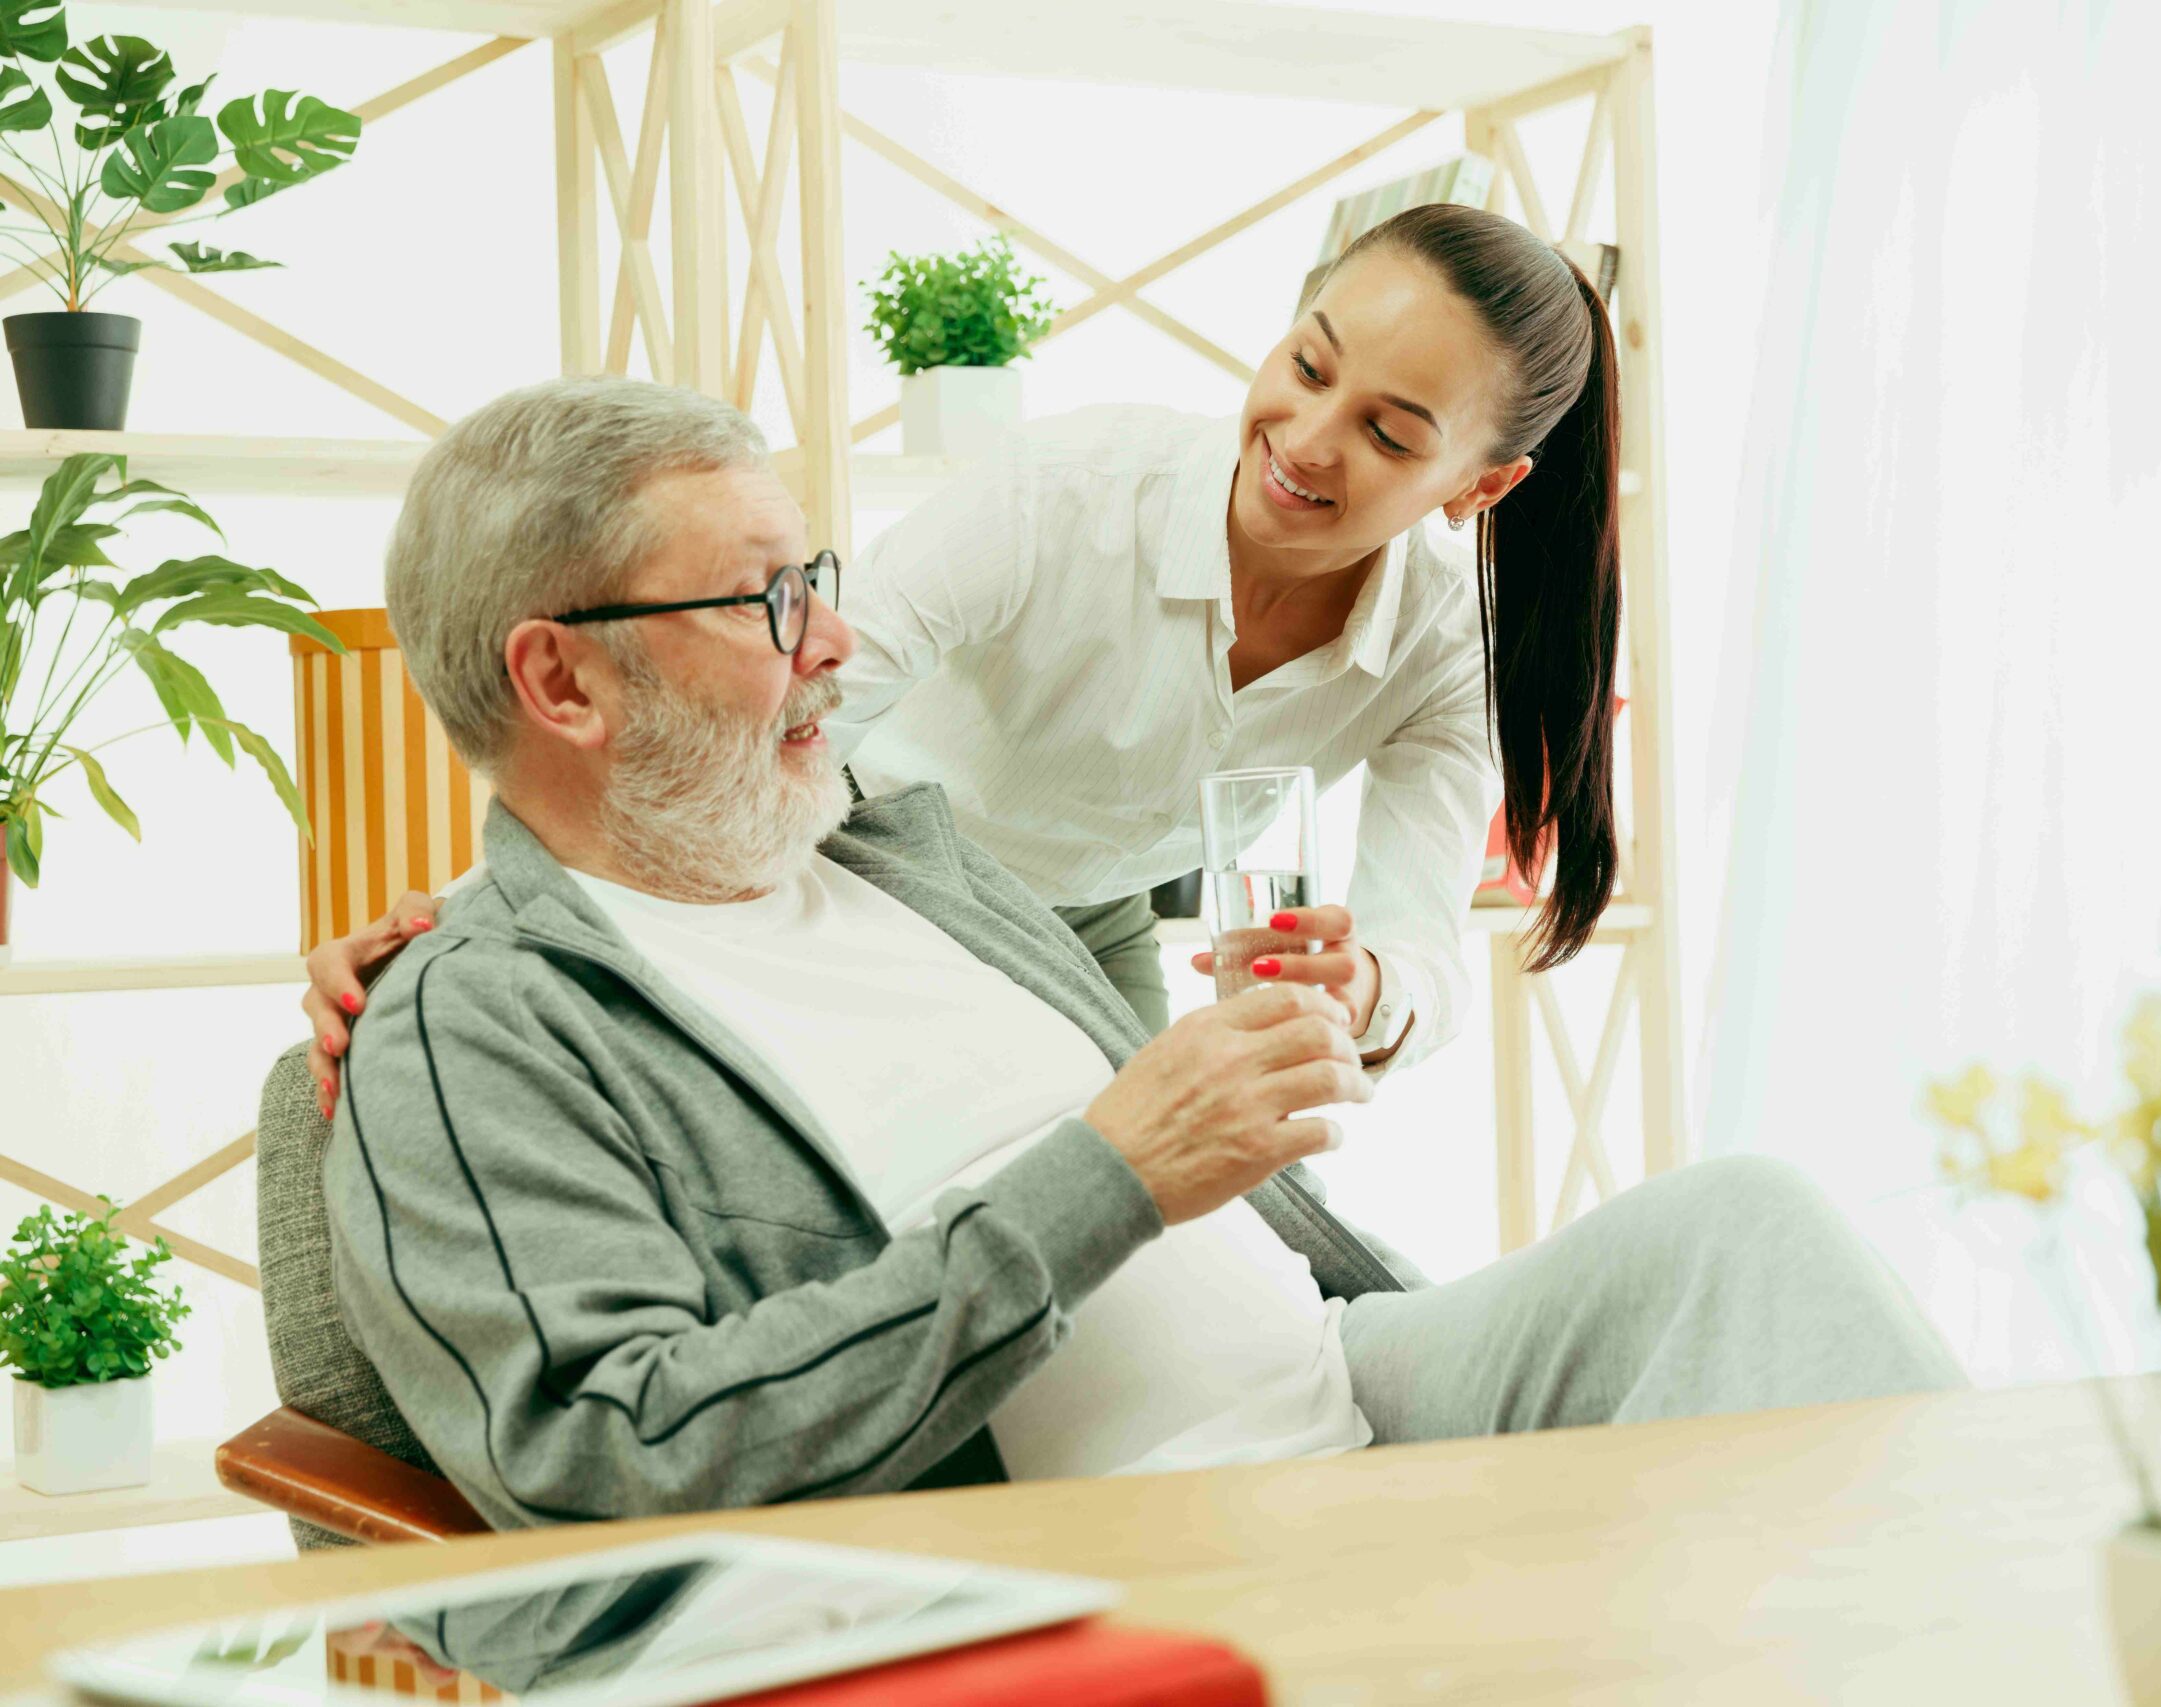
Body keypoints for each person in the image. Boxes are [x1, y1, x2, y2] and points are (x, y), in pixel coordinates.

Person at [322, 376, 1960, 1529]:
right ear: (562, 687)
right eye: (765, 602)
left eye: (814, 576)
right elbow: (606, 1452)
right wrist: (1108, 1172)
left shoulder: (902, 852)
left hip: (1354, 1384)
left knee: (1750, 1232)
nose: (835, 637)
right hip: (1118, 1546)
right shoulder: (480, 1029)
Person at [300, 202, 1633, 1116]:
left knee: (1224, 1237)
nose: (1307, 437)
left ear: (1484, 484)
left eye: (1394, 435)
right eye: (1307, 364)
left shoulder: (1443, 646)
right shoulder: (1069, 492)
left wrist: (1372, 989)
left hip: (1089, 919)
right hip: (871, 857)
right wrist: (467, 909)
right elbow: (792, 686)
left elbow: (1420, 943)